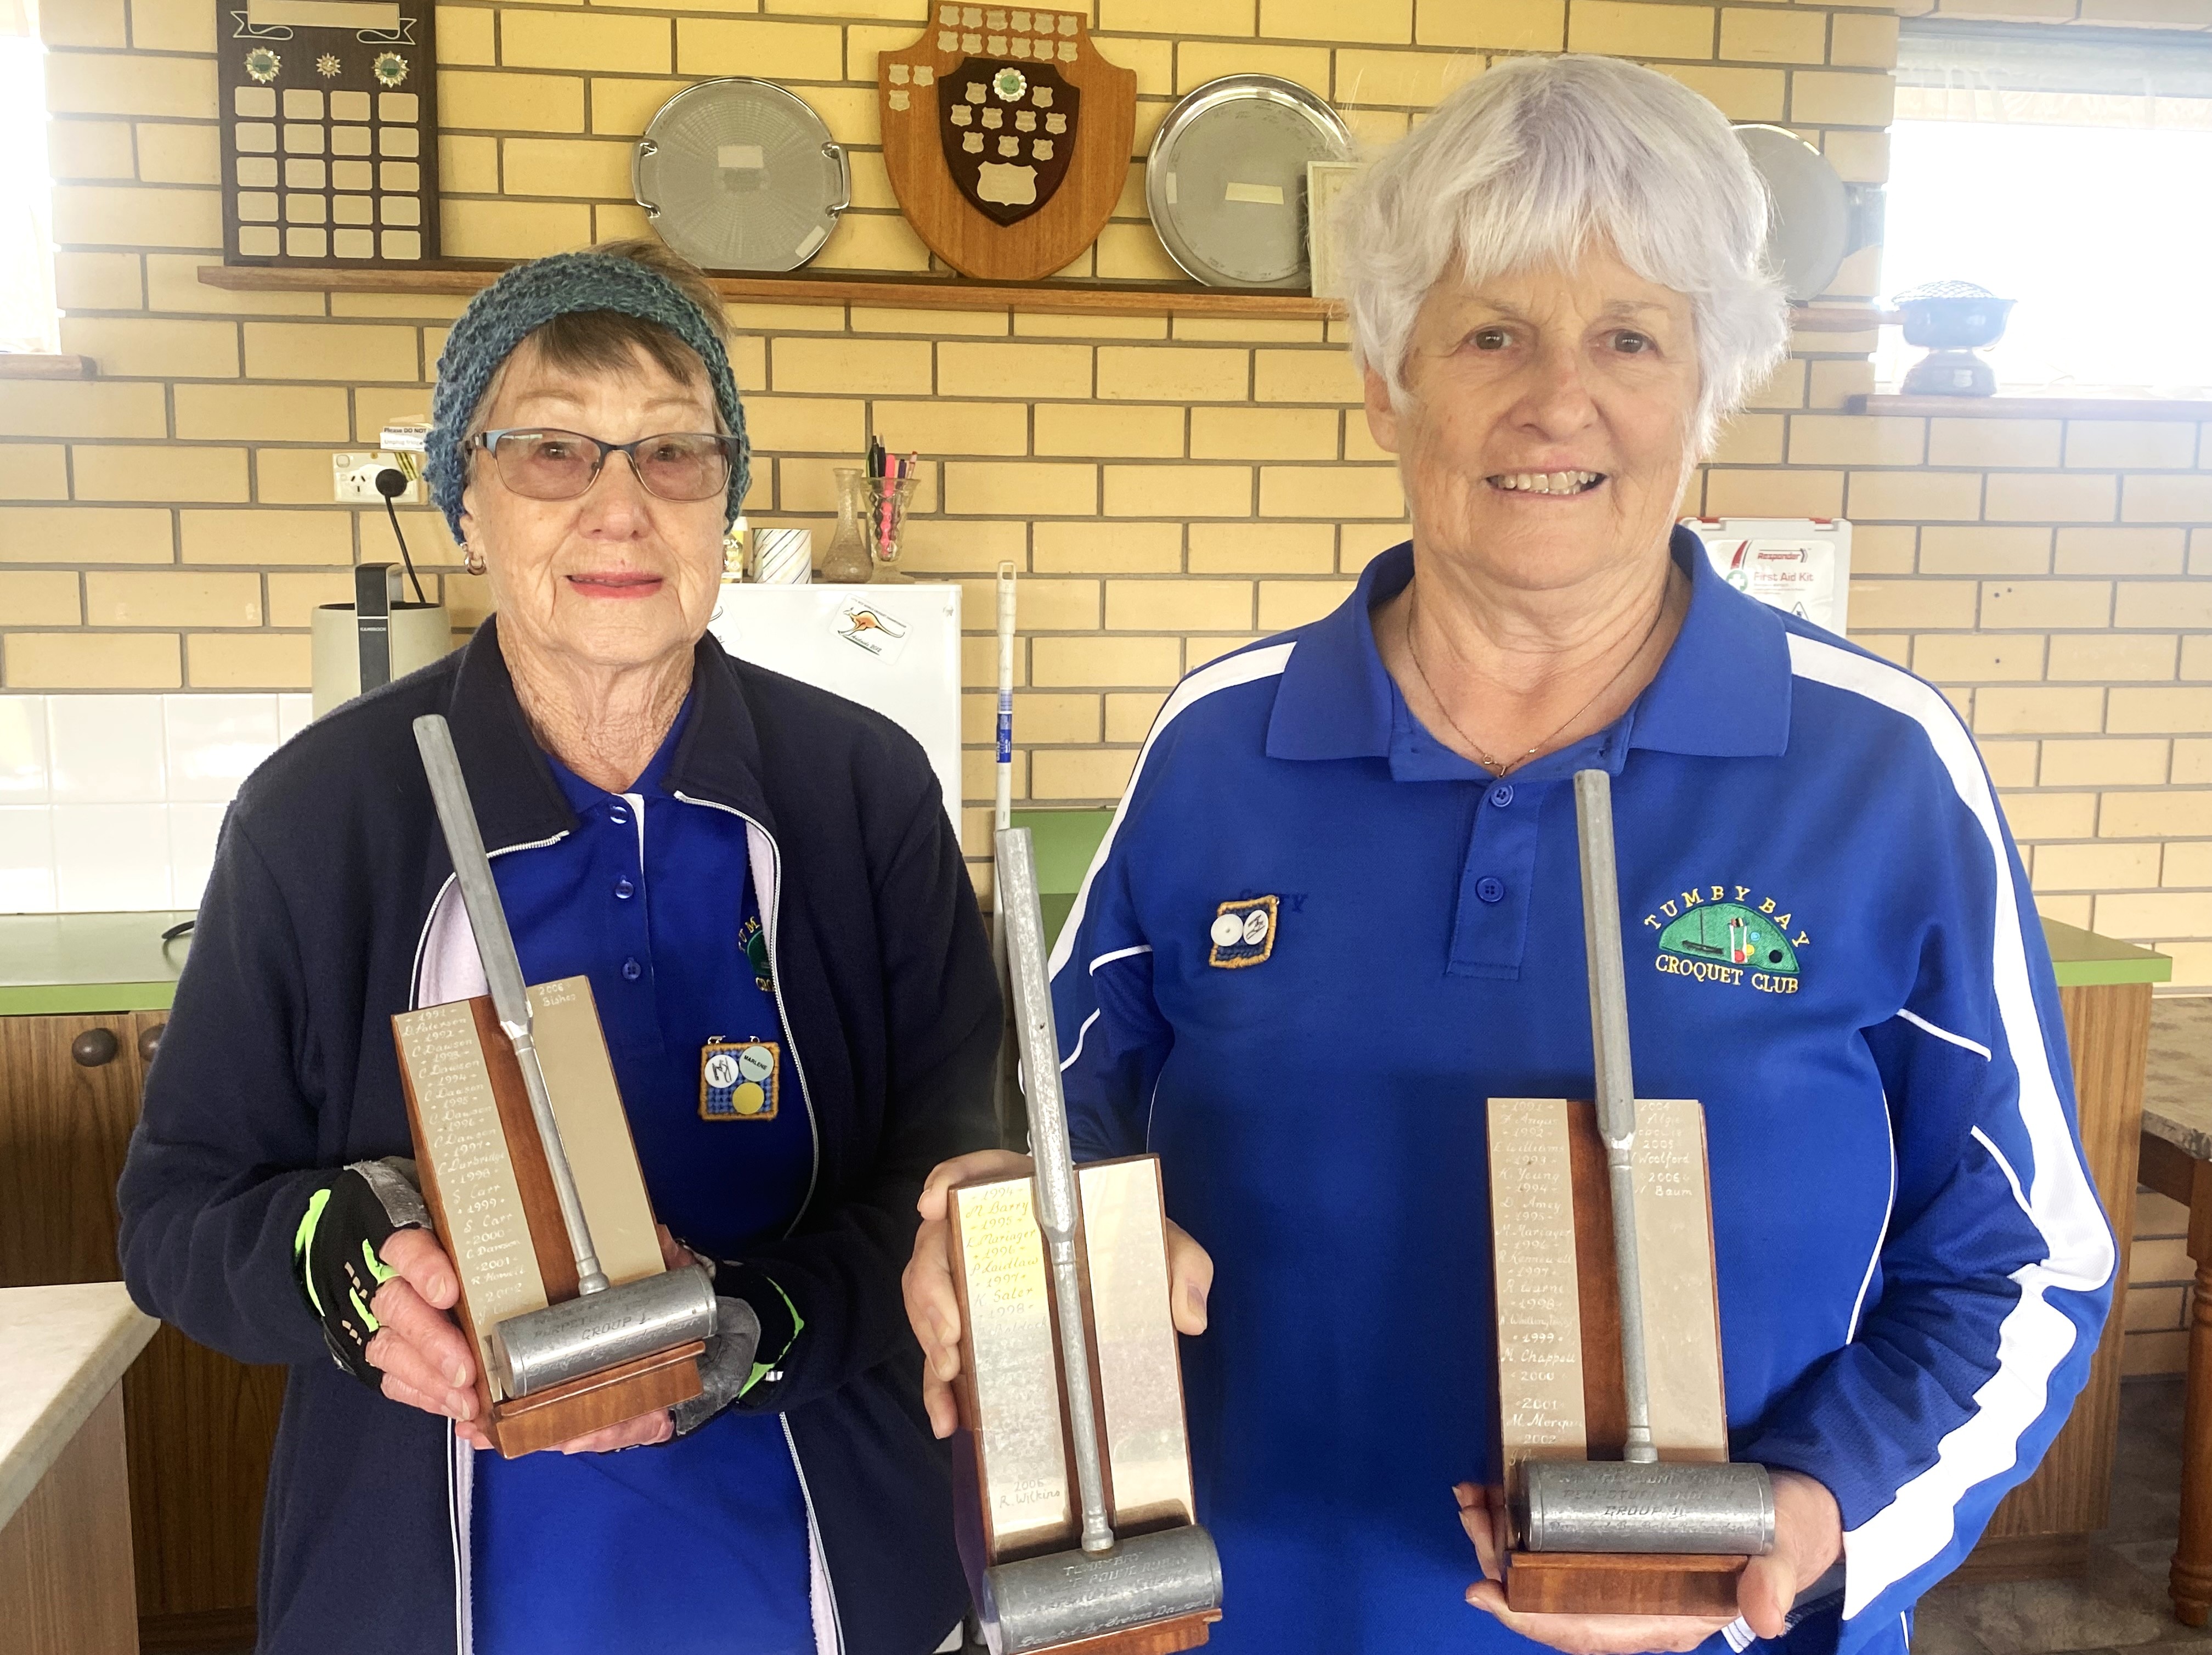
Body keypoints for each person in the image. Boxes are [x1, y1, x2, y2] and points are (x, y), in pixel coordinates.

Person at [903, 54, 2114, 1655]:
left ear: (1707, 384)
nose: (1559, 401)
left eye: (1629, 337)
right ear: (1386, 381)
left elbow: (2025, 1268)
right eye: (1490, 334)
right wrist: (997, 1213)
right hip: (1248, 1617)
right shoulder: (1219, 743)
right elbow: (1057, 1112)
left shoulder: (1882, 769)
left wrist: (1811, 1523)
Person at [119, 240, 1000, 1655]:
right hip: (444, 1597)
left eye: (672, 456)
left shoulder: (859, 793)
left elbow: (953, 1181)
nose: (618, 508)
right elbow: (174, 1215)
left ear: (726, 501)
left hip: (828, 1583)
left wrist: (748, 1325)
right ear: (469, 499)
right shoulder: (322, 815)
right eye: (550, 453)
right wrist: (353, 1268)